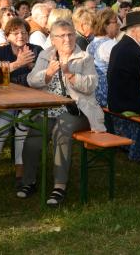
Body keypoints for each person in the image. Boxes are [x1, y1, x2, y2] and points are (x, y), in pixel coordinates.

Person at [20, 20, 106, 206]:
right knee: (34, 134)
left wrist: (71, 74)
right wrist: (48, 74)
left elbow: (92, 85)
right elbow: (31, 80)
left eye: (70, 34)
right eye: (62, 36)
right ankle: (29, 181)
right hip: (49, 110)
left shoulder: (84, 58)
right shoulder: (45, 55)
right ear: (53, 39)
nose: (67, 39)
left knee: (62, 131)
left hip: (78, 111)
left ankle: (59, 186)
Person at [0, 17, 43, 194]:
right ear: (7, 36)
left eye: (24, 32)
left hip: (32, 101)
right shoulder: (1, 51)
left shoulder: (37, 50)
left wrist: (32, 66)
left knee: (22, 126)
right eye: (15, 32)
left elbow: (44, 79)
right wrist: (16, 64)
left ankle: (21, 176)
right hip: (7, 101)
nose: (20, 35)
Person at [107, 11, 140, 161]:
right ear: (134, 30)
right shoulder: (133, 51)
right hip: (128, 104)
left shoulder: (122, 46)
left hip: (117, 101)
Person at [87, 9, 120, 114]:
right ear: (105, 25)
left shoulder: (90, 45)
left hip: (94, 96)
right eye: (115, 22)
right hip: (109, 97)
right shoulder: (110, 45)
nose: (118, 24)